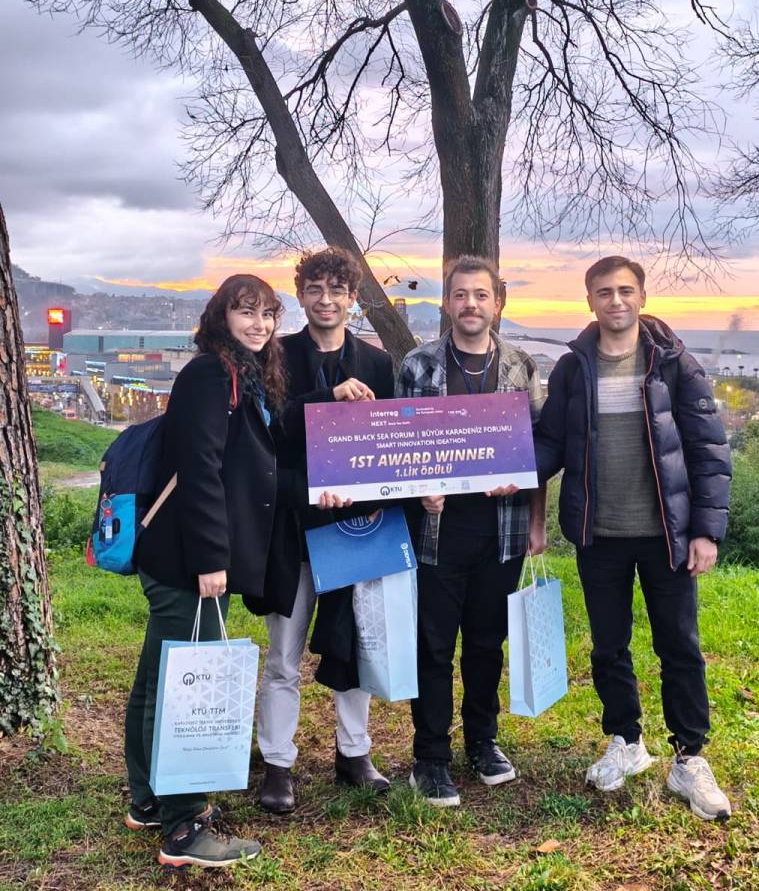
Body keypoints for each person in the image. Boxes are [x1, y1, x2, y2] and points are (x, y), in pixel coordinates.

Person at [534, 256, 732, 821]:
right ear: (590, 301)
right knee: (608, 646)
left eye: (625, 290)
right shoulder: (573, 368)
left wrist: (706, 530)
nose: (615, 300)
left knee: (679, 646)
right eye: (604, 292)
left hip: (666, 535)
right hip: (599, 535)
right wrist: (507, 470)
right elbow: (551, 443)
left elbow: (708, 451)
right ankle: (626, 740)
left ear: (642, 297)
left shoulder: (674, 364)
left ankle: (689, 757)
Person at [124, 274, 285, 868]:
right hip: (187, 561)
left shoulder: (241, 375)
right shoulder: (209, 376)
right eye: (246, 312)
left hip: (175, 556)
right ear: (222, 316)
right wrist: (212, 560)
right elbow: (200, 470)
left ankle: (148, 799)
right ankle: (184, 826)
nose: (259, 324)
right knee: (187, 689)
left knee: (157, 678)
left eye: (267, 313)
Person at [247, 247, 393, 814]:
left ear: (353, 298)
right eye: (315, 289)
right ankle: (277, 764)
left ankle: (354, 754)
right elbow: (266, 434)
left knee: (354, 645)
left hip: (355, 527)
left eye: (337, 290)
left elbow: (388, 443)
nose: (326, 300)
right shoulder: (274, 356)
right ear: (300, 294)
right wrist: (325, 400)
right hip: (292, 525)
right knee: (283, 654)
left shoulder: (377, 364)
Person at [397, 255, 545, 808]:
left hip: (502, 532)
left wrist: (535, 519)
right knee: (433, 647)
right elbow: (396, 445)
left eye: (481, 295)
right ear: (446, 303)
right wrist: (417, 489)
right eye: (460, 295)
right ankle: (430, 757)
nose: (470, 305)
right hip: (437, 532)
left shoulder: (521, 367)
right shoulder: (418, 366)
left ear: (497, 303)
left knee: (486, 644)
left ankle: (483, 741)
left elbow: (540, 448)